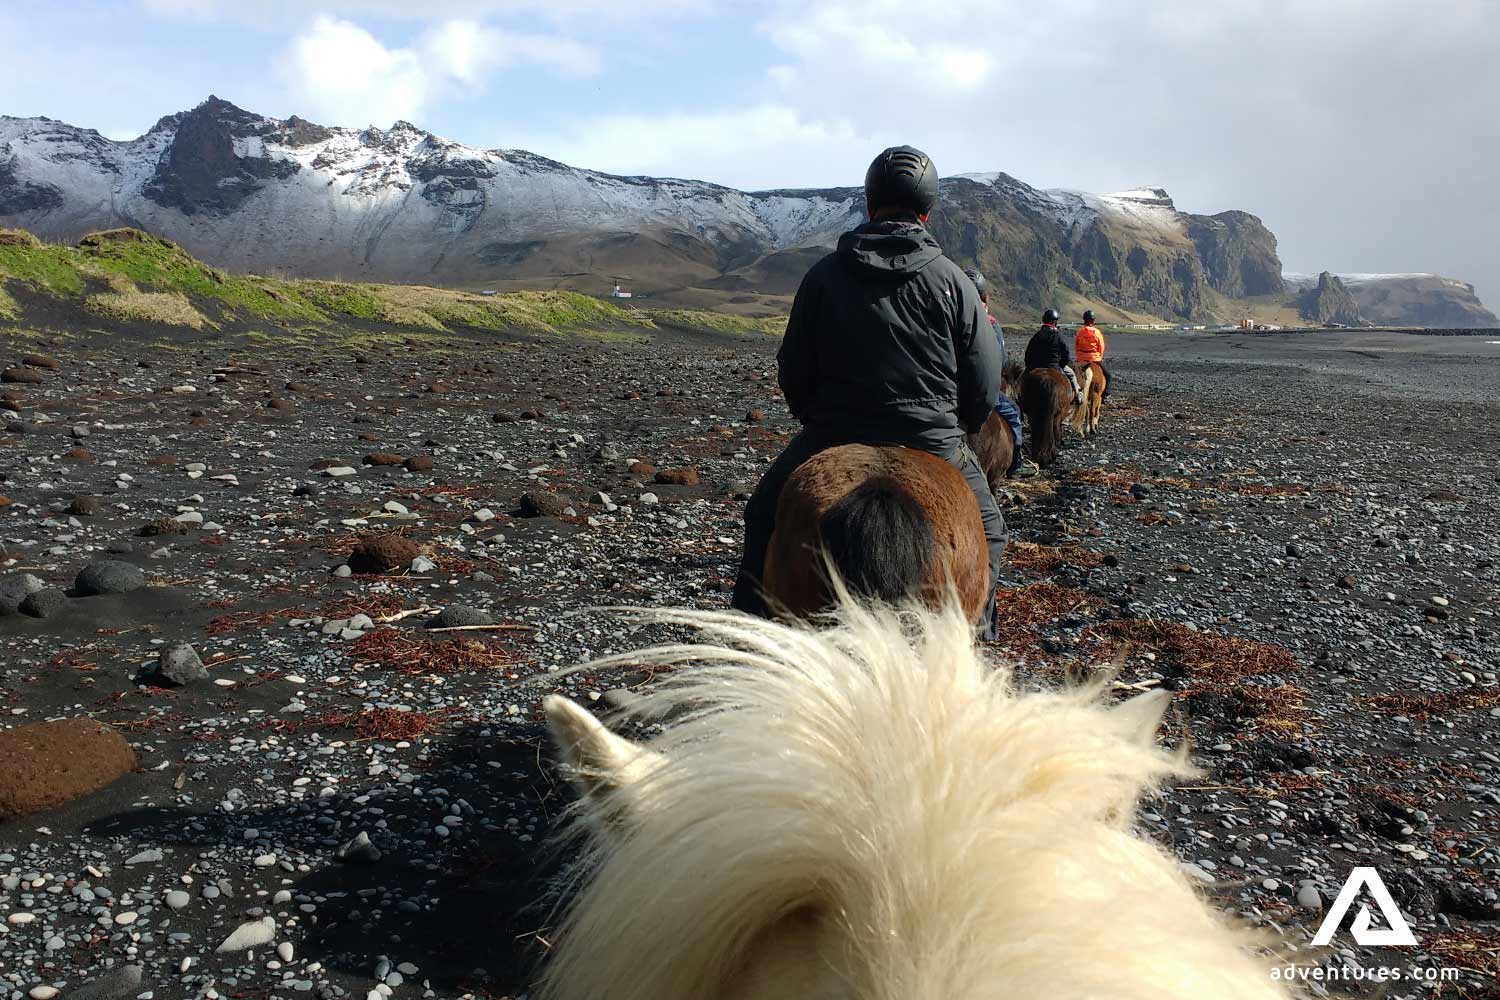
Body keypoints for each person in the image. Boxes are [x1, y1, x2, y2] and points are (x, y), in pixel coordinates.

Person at [732, 145, 1007, 639]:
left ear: (868, 200)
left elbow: (792, 367)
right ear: (928, 208)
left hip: (834, 433)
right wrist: (956, 426)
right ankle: (976, 642)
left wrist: (815, 419)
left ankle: (752, 637)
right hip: (933, 440)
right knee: (990, 532)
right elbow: (984, 384)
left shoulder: (822, 275)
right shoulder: (954, 283)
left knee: (763, 516)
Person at [963, 267, 1034, 479]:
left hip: (954, 389)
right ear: (985, 297)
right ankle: (1016, 463)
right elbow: (999, 360)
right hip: (983, 390)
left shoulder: (950, 317)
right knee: (1013, 414)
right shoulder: (991, 324)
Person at [1023, 307, 1083, 400]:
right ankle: (1078, 395)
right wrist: (1062, 365)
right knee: (1071, 375)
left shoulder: (1037, 336)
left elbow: (1028, 354)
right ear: (1055, 322)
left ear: (1044, 320)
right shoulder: (1059, 336)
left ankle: (1019, 399)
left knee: (1021, 381)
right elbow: (1066, 354)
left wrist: (1030, 366)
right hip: (1055, 366)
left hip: (1037, 366)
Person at [1074, 308, 1111, 399]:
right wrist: (1100, 357)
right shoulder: (1097, 332)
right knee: (1108, 376)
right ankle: (1106, 395)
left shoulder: (1080, 332)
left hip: (1081, 359)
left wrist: (1079, 357)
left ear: (1084, 320)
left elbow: (1076, 346)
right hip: (1094, 358)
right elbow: (1101, 347)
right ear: (1093, 321)